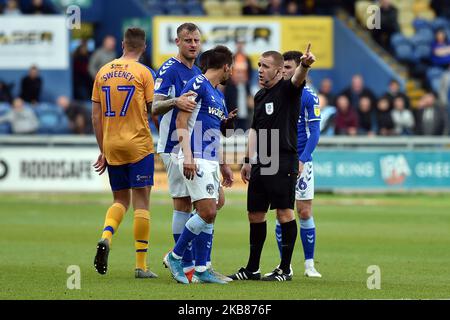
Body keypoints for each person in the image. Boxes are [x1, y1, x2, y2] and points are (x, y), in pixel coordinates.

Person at [229, 45, 316, 282]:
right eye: (259, 65)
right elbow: (254, 129)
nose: (259, 70)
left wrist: (305, 65)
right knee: (254, 214)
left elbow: (298, 78)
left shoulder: (289, 90)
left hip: (283, 158)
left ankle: (285, 269)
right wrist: (247, 160)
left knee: (284, 213)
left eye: (265, 66)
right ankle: (252, 268)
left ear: (278, 71)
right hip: (262, 160)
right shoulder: (259, 95)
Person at [151, 23, 231, 283]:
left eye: (197, 40)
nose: (193, 44)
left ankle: (197, 266)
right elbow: (154, 107)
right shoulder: (169, 69)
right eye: (188, 40)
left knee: (202, 205)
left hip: (197, 148)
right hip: (175, 145)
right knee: (185, 204)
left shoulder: (198, 73)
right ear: (177, 41)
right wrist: (175, 101)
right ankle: (184, 262)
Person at [91, 28, 158, 279]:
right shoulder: (144, 73)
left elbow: (95, 116)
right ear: (144, 47)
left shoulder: (103, 72)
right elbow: (154, 110)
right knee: (142, 202)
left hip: (112, 145)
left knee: (120, 200)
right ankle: (141, 265)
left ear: (122, 45)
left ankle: (106, 235)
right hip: (138, 145)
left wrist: (103, 149)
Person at [268, 50, 321, 278]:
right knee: (282, 211)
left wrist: (303, 159)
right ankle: (285, 265)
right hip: (278, 160)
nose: (286, 72)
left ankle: (309, 264)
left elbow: (315, 132)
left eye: (289, 68)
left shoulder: (308, 96)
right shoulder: (277, 93)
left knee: (304, 211)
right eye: (284, 68)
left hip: (300, 160)